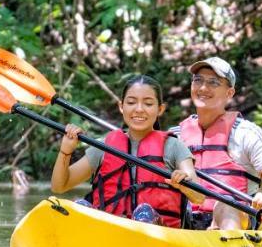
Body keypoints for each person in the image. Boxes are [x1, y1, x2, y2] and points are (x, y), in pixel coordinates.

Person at [50, 74, 206, 227]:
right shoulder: (103, 147)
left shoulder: (173, 146)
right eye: (131, 102)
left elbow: (199, 197)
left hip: (157, 237)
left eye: (148, 104)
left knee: (144, 212)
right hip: (109, 233)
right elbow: (59, 186)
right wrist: (65, 151)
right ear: (121, 106)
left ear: (160, 109)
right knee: (78, 206)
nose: (139, 109)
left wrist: (183, 184)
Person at [177, 56, 262, 230]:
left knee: (227, 204)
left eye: (213, 82)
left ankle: (223, 245)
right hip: (187, 224)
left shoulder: (246, 133)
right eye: (198, 80)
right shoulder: (175, 136)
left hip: (237, 222)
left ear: (230, 93)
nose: (203, 87)